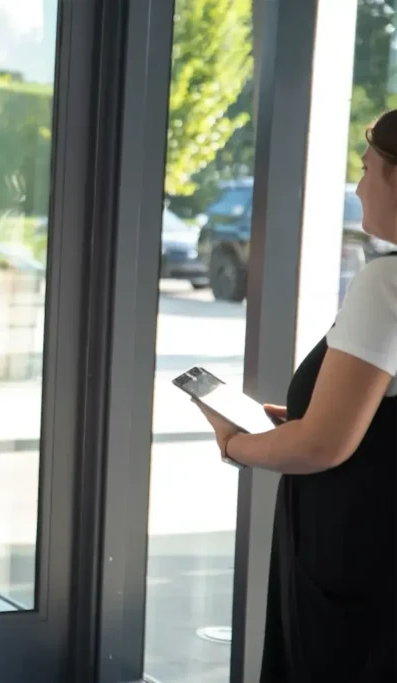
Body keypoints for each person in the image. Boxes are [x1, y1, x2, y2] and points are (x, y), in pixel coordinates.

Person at [194, 112, 397, 682]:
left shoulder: (386, 283)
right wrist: (300, 421)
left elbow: (321, 447)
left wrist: (237, 443)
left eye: (366, 170)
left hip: (356, 554)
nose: (357, 187)